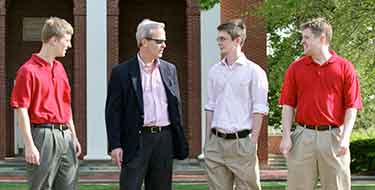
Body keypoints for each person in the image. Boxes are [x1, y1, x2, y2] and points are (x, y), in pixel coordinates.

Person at [279, 17, 363, 190]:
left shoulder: (345, 67)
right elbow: (288, 105)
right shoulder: (295, 68)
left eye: (307, 37)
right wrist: (286, 136)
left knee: (337, 187)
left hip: (333, 137)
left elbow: (352, 107)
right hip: (302, 137)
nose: (302, 41)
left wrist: (346, 137)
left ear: (322, 38)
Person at [105, 19, 188, 190]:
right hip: (136, 139)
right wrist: (115, 145)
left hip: (164, 139)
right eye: (159, 41)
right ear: (143, 42)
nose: (164, 45)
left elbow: (175, 107)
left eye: (165, 41)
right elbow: (113, 112)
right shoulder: (121, 72)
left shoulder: (169, 69)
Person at [10, 17, 81, 190]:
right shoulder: (27, 71)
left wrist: (74, 136)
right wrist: (29, 145)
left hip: (65, 135)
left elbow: (66, 105)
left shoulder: (60, 68)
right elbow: (22, 110)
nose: (69, 45)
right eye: (66, 40)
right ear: (53, 40)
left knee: (68, 186)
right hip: (43, 136)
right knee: (42, 187)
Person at [204, 19, 269, 190]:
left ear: (237, 40)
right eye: (218, 39)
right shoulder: (214, 71)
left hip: (242, 144)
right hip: (216, 144)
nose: (219, 42)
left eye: (223, 39)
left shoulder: (255, 72)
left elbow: (259, 109)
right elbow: (210, 106)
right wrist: (207, 141)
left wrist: (252, 142)